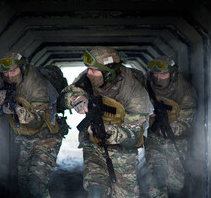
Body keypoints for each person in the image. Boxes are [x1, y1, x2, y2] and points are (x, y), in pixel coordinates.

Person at [61, 46, 151, 197]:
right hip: (93, 145)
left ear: (108, 73)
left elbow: (133, 135)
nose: (89, 73)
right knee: (97, 191)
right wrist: (77, 99)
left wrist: (109, 131)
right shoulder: (87, 76)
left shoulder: (135, 92)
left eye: (94, 70)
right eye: (88, 69)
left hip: (123, 153)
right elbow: (67, 93)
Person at [0, 51, 69, 197]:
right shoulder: (8, 84)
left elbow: (37, 122)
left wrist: (18, 111)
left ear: (21, 68)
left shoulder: (37, 85)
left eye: (13, 71)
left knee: (36, 185)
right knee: (23, 184)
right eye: (5, 73)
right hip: (26, 140)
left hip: (47, 138)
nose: (9, 76)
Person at [144, 56, 198, 198]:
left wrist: (175, 127)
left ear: (172, 74)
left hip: (176, 141)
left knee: (176, 183)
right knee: (158, 174)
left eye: (163, 74)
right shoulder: (146, 85)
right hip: (154, 138)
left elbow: (186, 120)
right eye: (155, 74)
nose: (158, 77)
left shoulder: (184, 90)